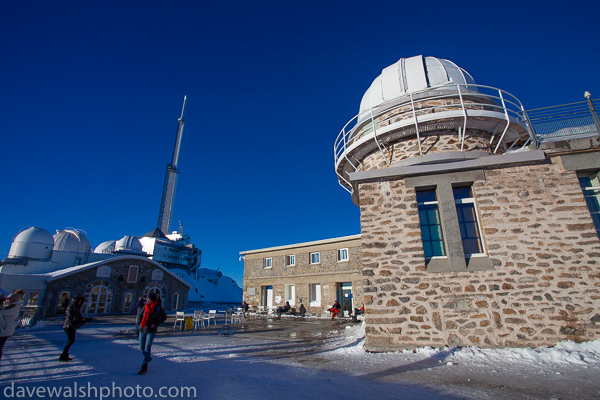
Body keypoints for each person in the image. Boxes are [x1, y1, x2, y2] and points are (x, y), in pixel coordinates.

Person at [137, 293, 167, 375]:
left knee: (147, 346)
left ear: (153, 300)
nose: (147, 301)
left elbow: (164, 317)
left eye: (149, 300)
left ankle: (145, 365)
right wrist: (140, 324)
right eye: (147, 299)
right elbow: (140, 315)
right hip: (143, 328)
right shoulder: (145, 306)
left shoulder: (157, 308)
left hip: (151, 330)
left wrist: (155, 323)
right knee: (141, 347)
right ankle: (147, 357)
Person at [60, 295, 92, 362]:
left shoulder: (76, 308)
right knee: (71, 340)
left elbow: (78, 317)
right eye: (79, 301)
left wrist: (85, 319)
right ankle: (63, 355)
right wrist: (81, 320)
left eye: (81, 301)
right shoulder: (71, 308)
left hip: (72, 326)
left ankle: (65, 355)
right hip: (68, 326)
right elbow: (71, 318)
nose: (80, 302)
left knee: (71, 340)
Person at [0, 293, 23, 361]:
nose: (7, 300)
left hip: (6, 329)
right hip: (3, 328)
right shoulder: (11, 306)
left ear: (13, 299)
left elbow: (2, 311)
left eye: (9, 298)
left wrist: (3, 304)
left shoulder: (14, 307)